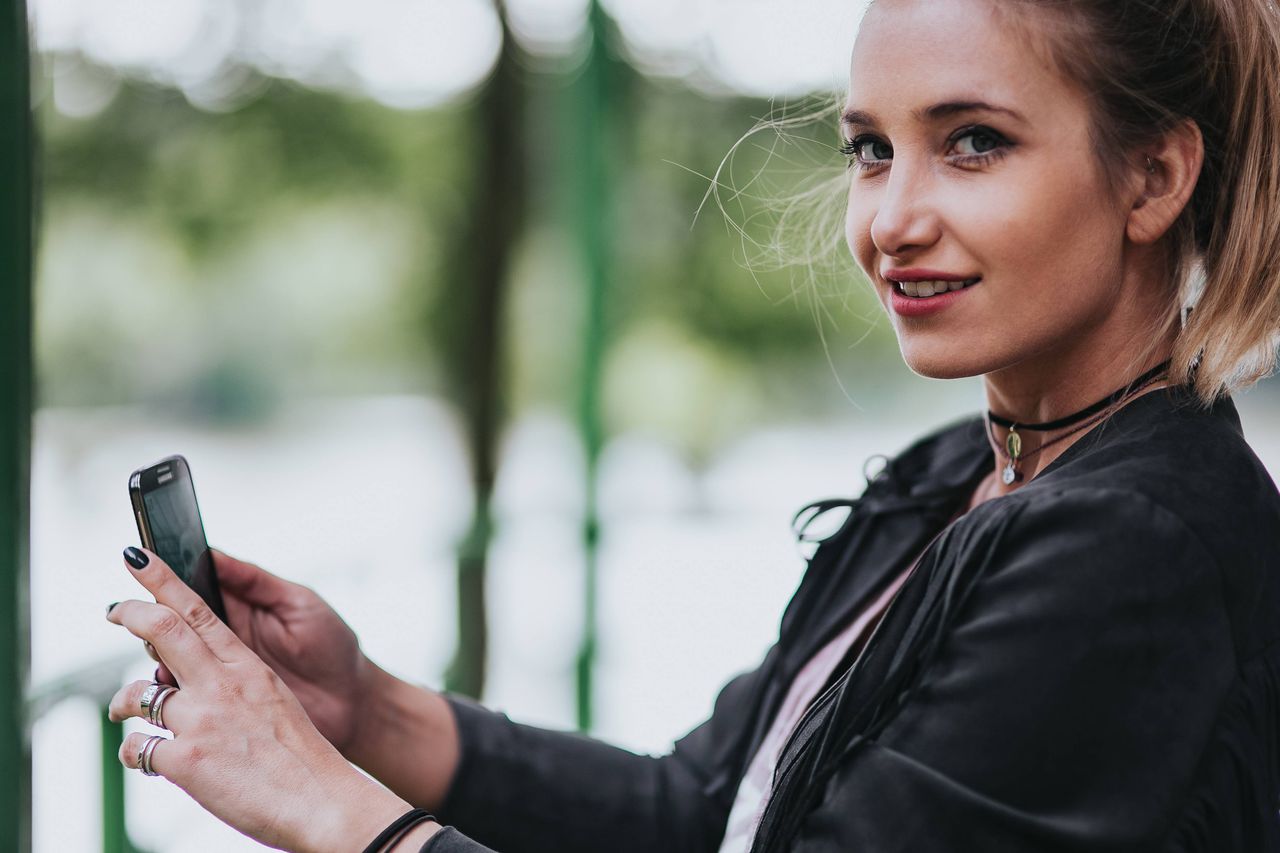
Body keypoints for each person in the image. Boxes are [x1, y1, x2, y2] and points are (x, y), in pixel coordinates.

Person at [104, 0, 1280, 849]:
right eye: (871, 150)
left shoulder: (1134, 549)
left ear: (1151, 178)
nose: (890, 220)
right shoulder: (957, 475)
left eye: (972, 142)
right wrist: (366, 708)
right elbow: (703, 807)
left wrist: (328, 806)